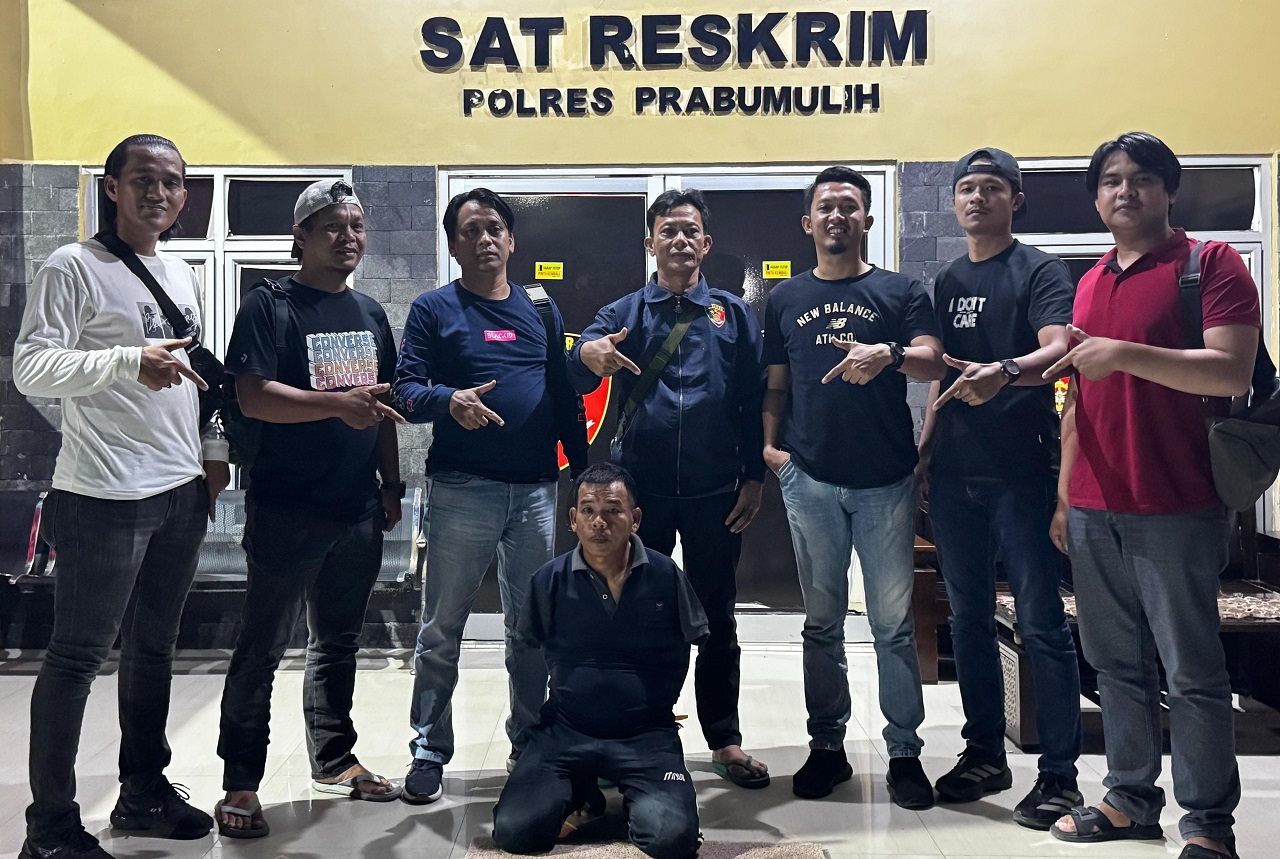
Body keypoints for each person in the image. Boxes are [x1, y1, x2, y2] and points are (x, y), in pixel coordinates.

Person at [14, 134, 228, 859]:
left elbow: (192, 379)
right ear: (111, 187)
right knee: (77, 656)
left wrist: (210, 456)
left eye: (172, 182)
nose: (159, 193)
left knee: (153, 648)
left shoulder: (181, 272)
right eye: (143, 179)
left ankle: (143, 793)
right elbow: (32, 367)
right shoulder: (72, 266)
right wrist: (125, 359)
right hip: (104, 493)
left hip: (179, 489)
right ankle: (50, 829)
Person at [1044, 133, 1257, 859]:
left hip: (1179, 502)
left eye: (1140, 178)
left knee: (1192, 671)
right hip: (1095, 503)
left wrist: (1125, 354)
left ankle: (1208, 823)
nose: (1124, 191)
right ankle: (1129, 798)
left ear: (1169, 190)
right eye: (1110, 180)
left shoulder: (1210, 264)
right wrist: (1066, 494)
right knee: (1115, 664)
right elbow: (1076, 396)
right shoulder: (1090, 281)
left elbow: (1230, 371)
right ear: (1097, 198)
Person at [213, 180, 407, 837]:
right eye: (332, 227)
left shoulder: (370, 312)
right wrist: (335, 404)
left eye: (356, 226)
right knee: (261, 648)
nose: (348, 237)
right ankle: (241, 781)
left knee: (338, 642)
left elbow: (380, 407)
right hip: (287, 507)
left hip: (357, 507)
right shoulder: (270, 306)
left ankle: (334, 758)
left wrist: (390, 485)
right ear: (300, 237)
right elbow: (253, 396)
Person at [567, 188, 769, 788]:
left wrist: (753, 477)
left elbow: (752, 400)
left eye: (690, 231)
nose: (679, 240)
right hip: (641, 498)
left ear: (706, 243)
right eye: (668, 231)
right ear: (650, 243)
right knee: (636, 614)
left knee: (717, 618)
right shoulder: (623, 312)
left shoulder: (733, 315)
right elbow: (578, 364)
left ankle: (725, 739)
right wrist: (588, 352)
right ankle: (637, 731)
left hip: (716, 492)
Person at [393, 188, 589, 803]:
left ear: (511, 239)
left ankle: (528, 742)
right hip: (462, 489)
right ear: (453, 245)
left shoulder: (540, 307)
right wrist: (447, 399)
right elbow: (405, 389)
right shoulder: (433, 309)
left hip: (534, 491)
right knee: (441, 629)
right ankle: (429, 749)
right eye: (471, 230)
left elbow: (562, 391)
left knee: (529, 628)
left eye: (494, 228)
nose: (484, 239)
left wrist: (580, 474)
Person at [761, 165, 946, 806]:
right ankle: (827, 748)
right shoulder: (785, 297)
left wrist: (887, 353)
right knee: (822, 625)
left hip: (885, 483)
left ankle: (904, 754)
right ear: (808, 222)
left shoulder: (901, 290)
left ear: (867, 219)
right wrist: (772, 450)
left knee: (892, 626)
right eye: (826, 207)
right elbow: (776, 382)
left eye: (849, 206)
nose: (837, 216)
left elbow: (933, 362)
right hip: (810, 479)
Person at [915, 148, 1084, 828]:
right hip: (955, 476)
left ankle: (1061, 776)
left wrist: (1006, 370)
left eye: (991, 187)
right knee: (968, 619)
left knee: (1040, 622)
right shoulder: (948, 279)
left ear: (1016, 199)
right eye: (966, 188)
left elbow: (1061, 347)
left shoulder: (1039, 269)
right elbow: (943, 376)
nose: (976, 198)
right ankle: (984, 752)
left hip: (1020, 473)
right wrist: (925, 452)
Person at [492, 462, 707, 859]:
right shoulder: (549, 579)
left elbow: (691, 644)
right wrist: (527, 738)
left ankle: (633, 798)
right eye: (588, 510)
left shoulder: (665, 575)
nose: (599, 522)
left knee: (672, 839)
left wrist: (657, 706)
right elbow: (524, 656)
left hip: (646, 736)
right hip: (565, 731)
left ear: (635, 519)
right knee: (515, 832)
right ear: (573, 519)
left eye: (612, 510)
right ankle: (579, 789)